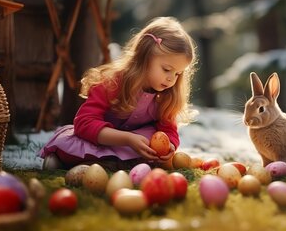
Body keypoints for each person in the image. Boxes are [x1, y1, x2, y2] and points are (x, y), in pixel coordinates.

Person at [39, 17, 198, 170]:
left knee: (151, 135)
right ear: (144, 57)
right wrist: (127, 139)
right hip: (101, 139)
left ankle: (105, 164)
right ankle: (63, 159)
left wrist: (168, 145)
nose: (171, 79)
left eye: (178, 74)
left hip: (135, 142)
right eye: (167, 70)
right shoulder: (112, 83)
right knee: (71, 143)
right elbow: (84, 123)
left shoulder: (165, 96)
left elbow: (169, 130)